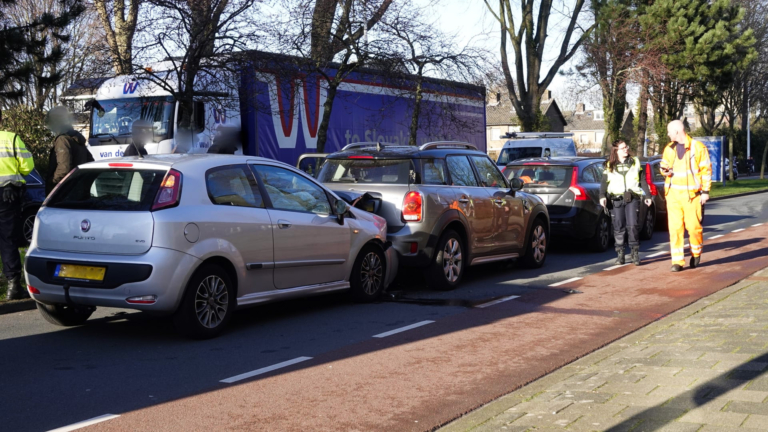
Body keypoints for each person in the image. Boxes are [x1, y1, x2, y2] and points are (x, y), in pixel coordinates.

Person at [660, 120, 712, 272]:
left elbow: (706, 170)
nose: (668, 134)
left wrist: (705, 192)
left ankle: (696, 253)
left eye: (669, 131)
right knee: (675, 229)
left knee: (694, 228)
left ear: (677, 131)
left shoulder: (698, 147)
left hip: (692, 195)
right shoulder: (669, 148)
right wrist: (665, 170)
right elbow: (664, 165)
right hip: (673, 195)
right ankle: (677, 261)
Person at [0, 110, 35, 300]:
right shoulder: (11, 139)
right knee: (8, 240)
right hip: (7, 195)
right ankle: (13, 286)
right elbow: (27, 167)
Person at [599, 140, 652, 266]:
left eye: (626, 147)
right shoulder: (609, 164)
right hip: (617, 199)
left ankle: (635, 253)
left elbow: (642, 180)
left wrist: (647, 195)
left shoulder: (635, 161)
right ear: (616, 150)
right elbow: (603, 182)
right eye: (622, 148)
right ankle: (620, 254)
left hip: (632, 198)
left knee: (633, 225)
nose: (626, 149)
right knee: (618, 226)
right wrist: (602, 196)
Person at [45, 106, 92, 195]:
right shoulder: (77, 139)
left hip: (64, 192)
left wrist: (52, 181)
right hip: (79, 189)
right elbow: (90, 161)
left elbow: (64, 169)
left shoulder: (63, 140)